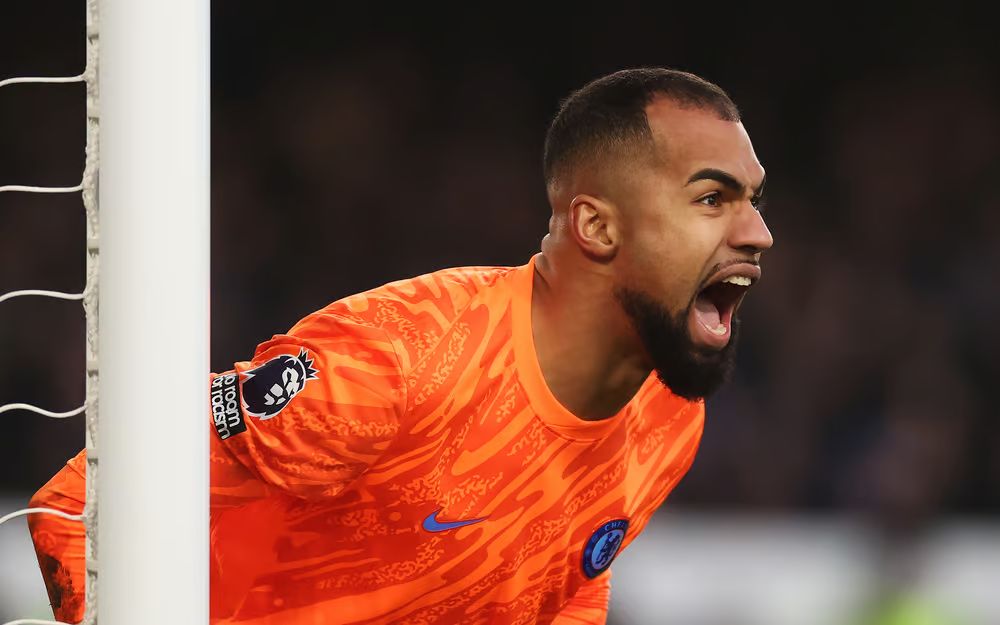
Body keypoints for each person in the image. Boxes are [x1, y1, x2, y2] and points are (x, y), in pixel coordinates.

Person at [28, 67, 772, 625]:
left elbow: (570, 577)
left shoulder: (670, 414)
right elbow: (77, 503)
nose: (757, 234)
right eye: (713, 199)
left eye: (753, 201)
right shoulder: (399, 360)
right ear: (597, 227)